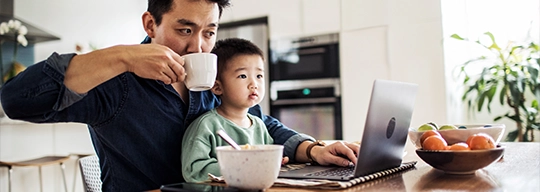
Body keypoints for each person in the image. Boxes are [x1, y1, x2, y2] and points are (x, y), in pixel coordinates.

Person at [0, 0, 359, 191]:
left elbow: (258, 123)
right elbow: (16, 100)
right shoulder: (115, 82)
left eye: (209, 32)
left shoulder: (212, 79)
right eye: (185, 29)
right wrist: (123, 56)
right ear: (150, 24)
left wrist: (312, 149)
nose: (197, 45)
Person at [182, 38, 276, 182]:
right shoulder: (206, 126)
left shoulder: (259, 126)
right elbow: (194, 171)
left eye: (259, 76)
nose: (254, 84)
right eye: (243, 76)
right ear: (218, 87)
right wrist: (240, 167)